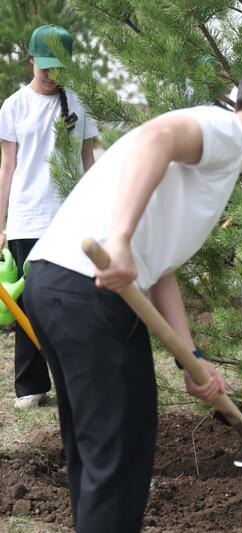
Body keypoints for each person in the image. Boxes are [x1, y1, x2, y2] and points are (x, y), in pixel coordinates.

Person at [24, 66, 242, 532]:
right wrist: (119, 240)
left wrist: (191, 359)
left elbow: (160, 268)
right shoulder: (226, 132)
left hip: (57, 282)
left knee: (100, 456)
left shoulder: (217, 159)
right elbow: (156, 138)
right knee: (119, 459)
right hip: (88, 287)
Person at [0, 24, 98, 409]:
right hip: (27, 217)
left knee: (71, 302)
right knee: (29, 304)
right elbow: (7, 168)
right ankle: (31, 386)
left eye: (59, 67)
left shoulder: (80, 103)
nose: (51, 74)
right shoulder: (14, 106)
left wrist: (99, 213)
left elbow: (89, 160)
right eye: (45, 66)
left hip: (69, 218)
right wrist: (0, 224)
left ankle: (75, 381)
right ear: (31, 61)